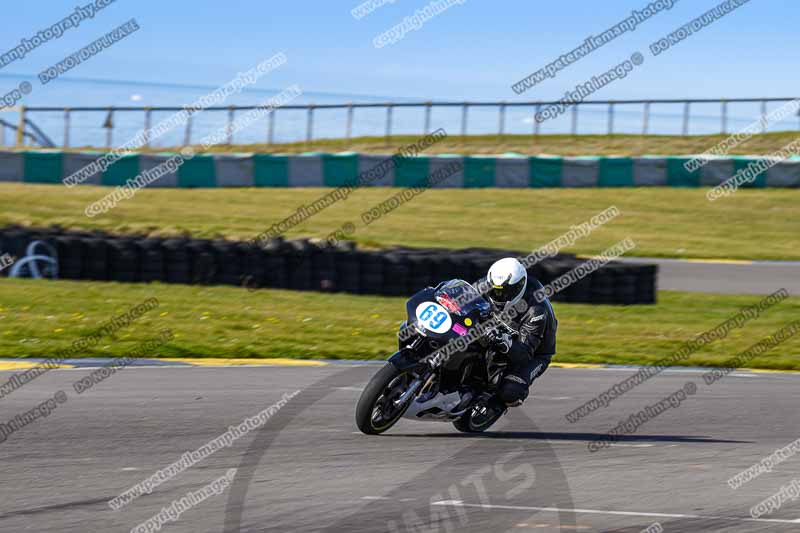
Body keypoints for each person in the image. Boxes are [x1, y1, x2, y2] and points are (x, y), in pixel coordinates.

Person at [483, 257, 557, 407]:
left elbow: (524, 355)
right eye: (494, 291)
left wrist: (507, 342)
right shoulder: (493, 282)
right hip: (502, 329)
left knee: (510, 391)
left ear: (518, 288)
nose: (497, 296)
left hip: (534, 353)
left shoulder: (536, 311)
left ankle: (497, 402)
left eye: (504, 293)